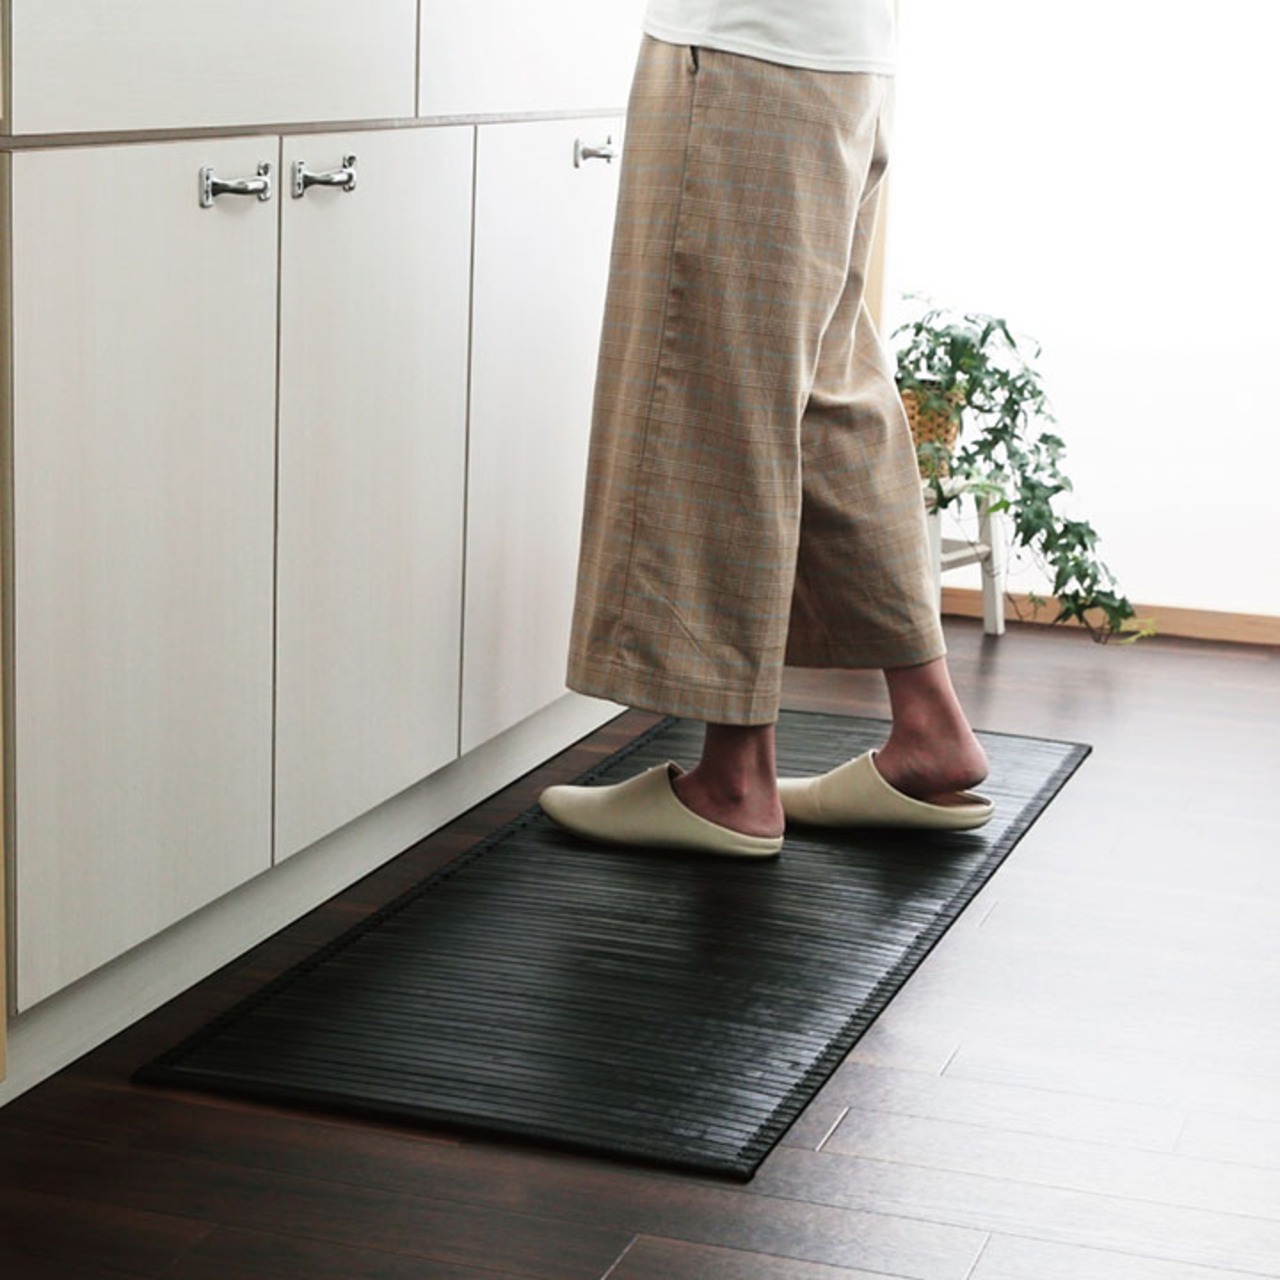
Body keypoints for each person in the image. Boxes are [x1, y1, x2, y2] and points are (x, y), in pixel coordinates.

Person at [540, 0, 992, 857]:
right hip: (847, 61)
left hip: (744, 56)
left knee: (717, 406)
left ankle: (734, 782)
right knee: (828, 399)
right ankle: (930, 730)